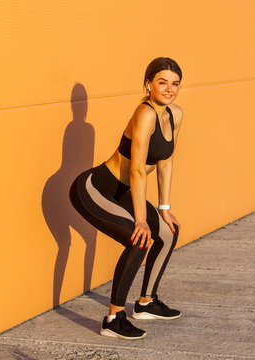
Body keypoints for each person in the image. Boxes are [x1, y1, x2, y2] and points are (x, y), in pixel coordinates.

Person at [69, 57, 184, 340]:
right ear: (148, 84)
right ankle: (113, 317)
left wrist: (164, 209)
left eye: (175, 84)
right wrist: (141, 220)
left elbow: (166, 162)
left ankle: (146, 303)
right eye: (162, 82)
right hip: (96, 188)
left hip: (126, 193)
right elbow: (136, 169)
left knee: (168, 232)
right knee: (140, 237)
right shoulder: (144, 114)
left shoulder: (175, 115)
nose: (169, 89)